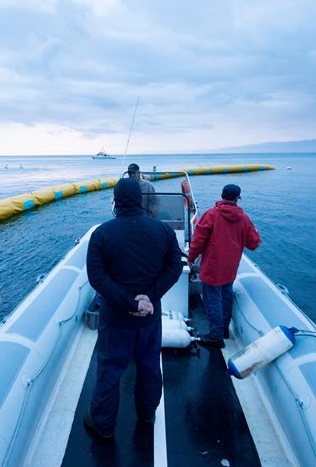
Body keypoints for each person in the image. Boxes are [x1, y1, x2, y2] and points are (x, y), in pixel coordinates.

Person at [84, 178, 183, 439]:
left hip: (116, 318)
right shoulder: (163, 232)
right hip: (149, 319)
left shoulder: (101, 234)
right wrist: (148, 298)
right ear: (140, 200)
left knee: (110, 369)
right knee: (150, 366)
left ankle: (103, 424)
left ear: (116, 202)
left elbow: (97, 277)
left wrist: (130, 302)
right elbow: (174, 268)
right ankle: (147, 414)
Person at [187, 184, 261, 348]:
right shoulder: (244, 219)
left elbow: (198, 241)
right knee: (225, 297)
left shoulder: (211, 214)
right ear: (237, 199)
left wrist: (191, 258)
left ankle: (215, 336)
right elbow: (254, 243)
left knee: (212, 300)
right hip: (231, 267)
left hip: (213, 267)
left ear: (222, 196)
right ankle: (224, 330)